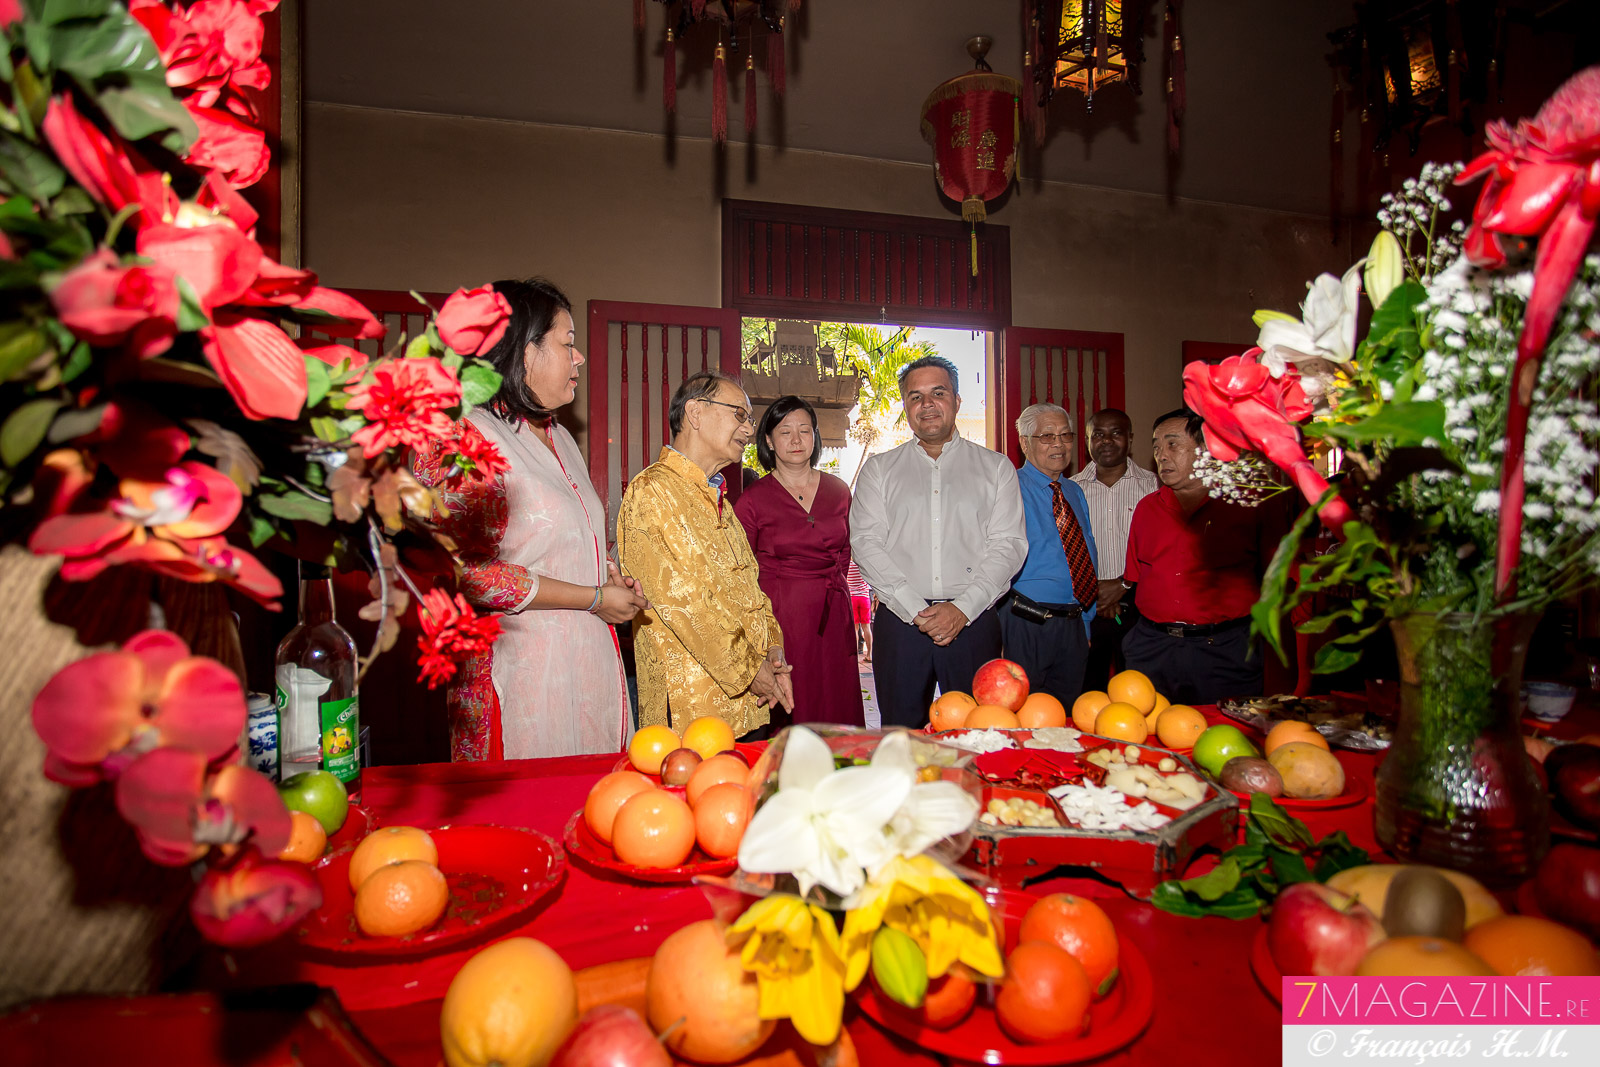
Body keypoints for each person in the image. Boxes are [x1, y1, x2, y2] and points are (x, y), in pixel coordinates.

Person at [414, 278, 647, 761]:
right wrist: (594, 598)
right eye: (566, 343)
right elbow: (467, 571)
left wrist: (609, 575)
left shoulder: (559, 437)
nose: (579, 357)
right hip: (518, 668)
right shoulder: (465, 437)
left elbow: (568, 536)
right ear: (523, 351)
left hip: (586, 661)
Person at [850, 355, 1028, 727]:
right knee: (901, 734)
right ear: (905, 407)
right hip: (900, 623)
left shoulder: (996, 468)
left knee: (977, 735)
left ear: (957, 401)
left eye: (938, 392)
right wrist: (916, 608)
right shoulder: (880, 470)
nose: (926, 404)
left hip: (974, 620)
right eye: (915, 396)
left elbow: (1008, 545)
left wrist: (962, 608)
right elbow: (866, 543)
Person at [617, 371, 794, 739]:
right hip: (690, 705)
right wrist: (751, 670)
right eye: (739, 415)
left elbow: (751, 590)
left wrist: (773, 650)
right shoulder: (651, 492)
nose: (748, 430)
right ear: (696, 413)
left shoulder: (722, 503)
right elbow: (684, 603)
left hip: (749, 699)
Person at [1121, 408, 1282, 705]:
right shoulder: (1146, 509)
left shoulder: (1246, 505)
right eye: (1156, 447)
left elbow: (1274, 576)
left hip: (1225, 648)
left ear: (1207, 451)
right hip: (1154, 647)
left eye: (1173, 445)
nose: (1162, 455)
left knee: (1229, 736)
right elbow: (1135, 579)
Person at [734, 396, 865, 727]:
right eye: (785, 431)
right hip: (782, 622)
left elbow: (845, 554)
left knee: (837, 708)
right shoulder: (752, 500)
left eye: (804, 431)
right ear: (768, 440)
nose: (795, 440)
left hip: (834, 615)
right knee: (794, 712)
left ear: (815, 437)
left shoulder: (838, 491)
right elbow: (738, 572)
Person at [1003, 404, 1098, 706]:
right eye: (1046, 436)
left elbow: (1086, 554)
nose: (1058, 444)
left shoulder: (1073, 491)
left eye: (1065, 435)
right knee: (1019, 716)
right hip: (1025, 622)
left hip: (1073, 624)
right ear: (1024, 443)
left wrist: (1085, 622)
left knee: (1066, 717)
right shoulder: (1008, 488)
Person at [1071, 408, 1159, 686]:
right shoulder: (1070, 490)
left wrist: (1122, 587)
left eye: (1116, 433)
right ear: (1086, 441)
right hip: (1085, 607)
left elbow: (1160, 550)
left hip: (1140, 607)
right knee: (1086, 692)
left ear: (1130, 440)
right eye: (1097, 434)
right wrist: (1096, 593)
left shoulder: (1154, 486)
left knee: (1137, 689)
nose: (1106, 441)